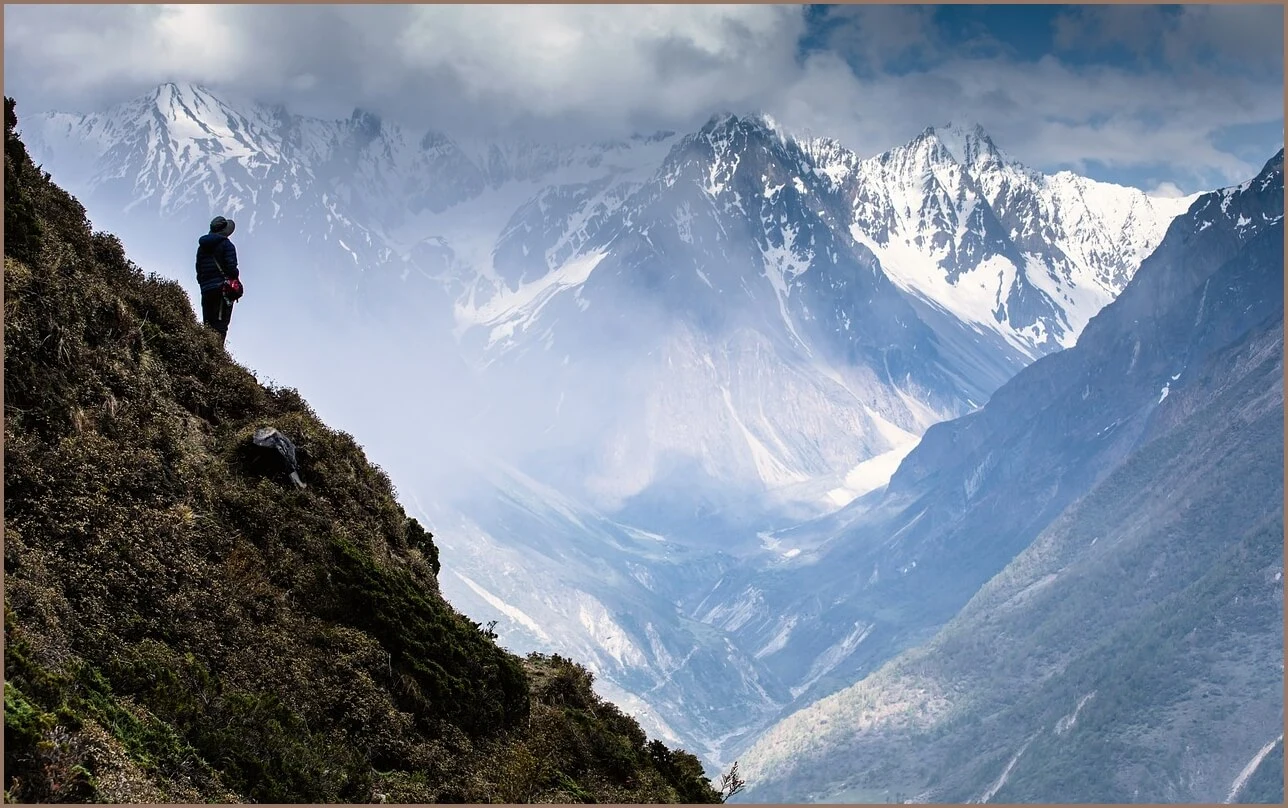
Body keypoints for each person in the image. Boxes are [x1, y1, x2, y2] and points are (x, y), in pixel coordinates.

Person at [195, 215, 243, 345]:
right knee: (220, 327)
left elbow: (199, 270)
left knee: (208, 324)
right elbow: (232, 269)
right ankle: (216, 354)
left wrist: (204, 284)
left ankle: (205, 350)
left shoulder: (202, 247)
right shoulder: (227, 245)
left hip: (206, 290)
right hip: (222, 291)